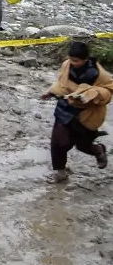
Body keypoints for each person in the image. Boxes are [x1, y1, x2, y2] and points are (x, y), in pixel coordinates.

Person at [42, 40, 113, 183]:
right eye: (71, 59)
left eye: (76, 61)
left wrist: (91, 95)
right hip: (64, 110)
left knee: (82, 145)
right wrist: (51, 92)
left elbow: (108, 92)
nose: (72, 63)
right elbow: (62, 84)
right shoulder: (66, 65)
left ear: (85, 59)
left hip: (86, 114)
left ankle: (98, 150)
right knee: (58, 142)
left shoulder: (98, 74)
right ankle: (60, 173)